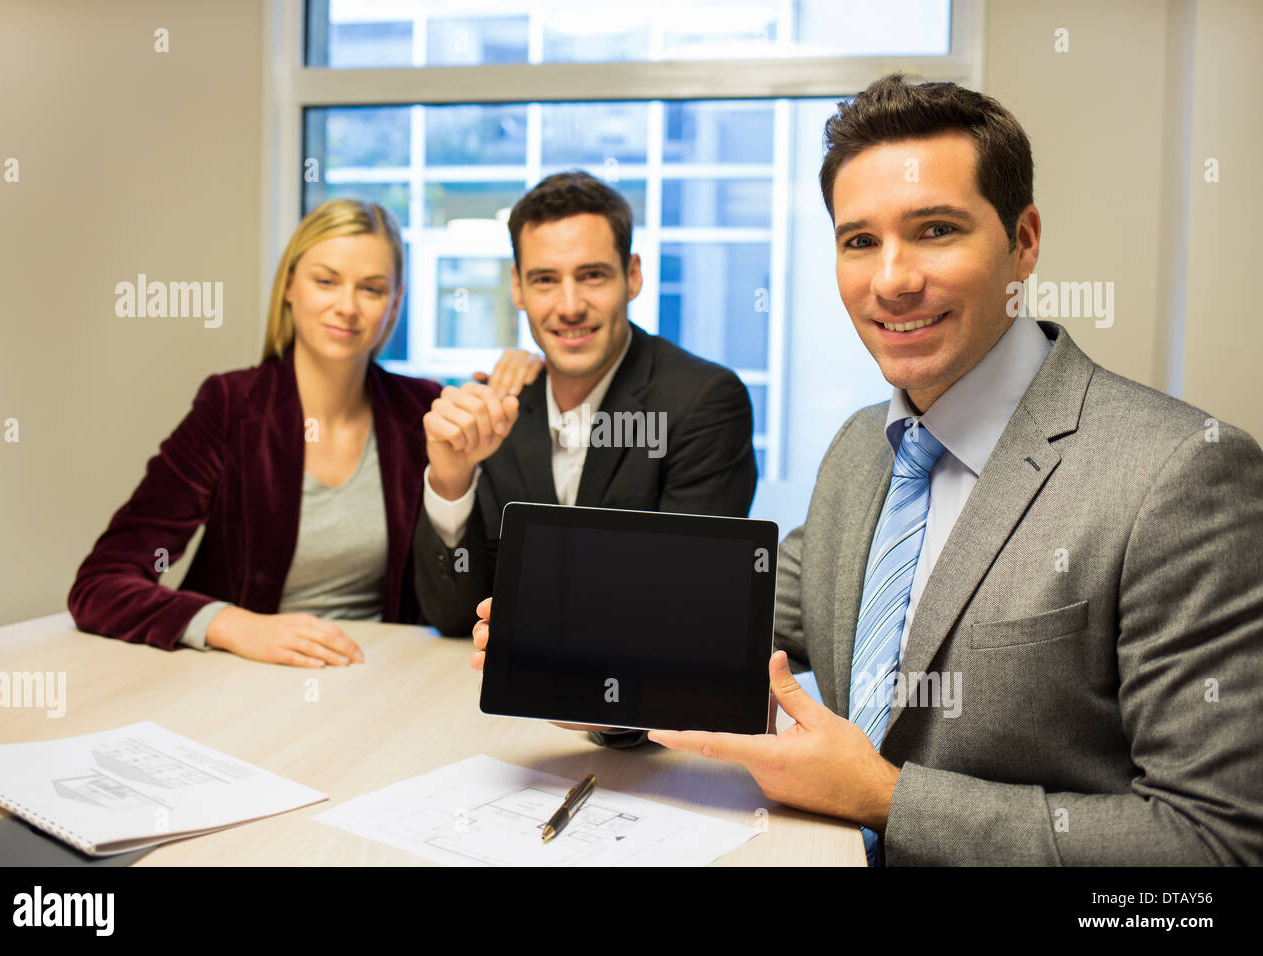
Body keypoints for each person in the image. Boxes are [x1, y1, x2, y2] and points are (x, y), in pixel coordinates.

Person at [472, 74, 1263, 864]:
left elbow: (1218, 845)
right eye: (860, 241)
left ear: (1023, 241)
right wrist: (575, 667)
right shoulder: (861, 447)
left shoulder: (1181, 475)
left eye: (936, 230)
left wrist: (883, 798)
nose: (892, 279)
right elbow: (709, 639)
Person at [68, 198, 447, 667]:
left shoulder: (423, 409)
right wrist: (233, 624)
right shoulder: (231, 405)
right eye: (325, 281)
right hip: (244, 679)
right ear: (289, 285)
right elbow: (102, 583)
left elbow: (460, 575)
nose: (346, 306)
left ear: (395, 303)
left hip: (378, 675)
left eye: (371, 289)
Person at [412, 171, 758, 659]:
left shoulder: (703, 402)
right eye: (545, 280)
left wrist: (529, 619)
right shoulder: (497, 408)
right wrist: (452, 481)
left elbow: (685, 604)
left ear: (632, 275)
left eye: (592, 275)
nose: (569, 306)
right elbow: (452, 615)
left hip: (639, 717)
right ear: (517, 288)